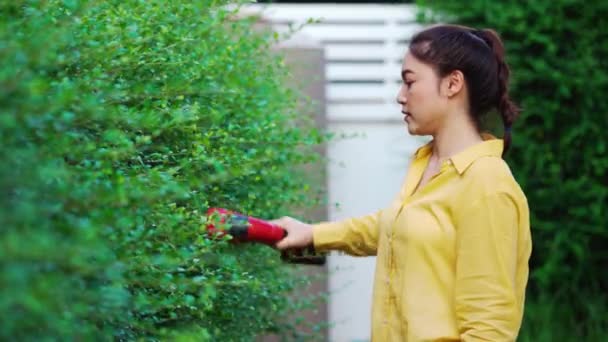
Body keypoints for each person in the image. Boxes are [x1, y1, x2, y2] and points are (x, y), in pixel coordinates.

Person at [271, 24, 532, 341]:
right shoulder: (428, 163)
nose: (400, 96)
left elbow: (489, 330)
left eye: (410, 82)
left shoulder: (487, 184)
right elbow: (395, 227)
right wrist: (312, 234)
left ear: (452, 84)